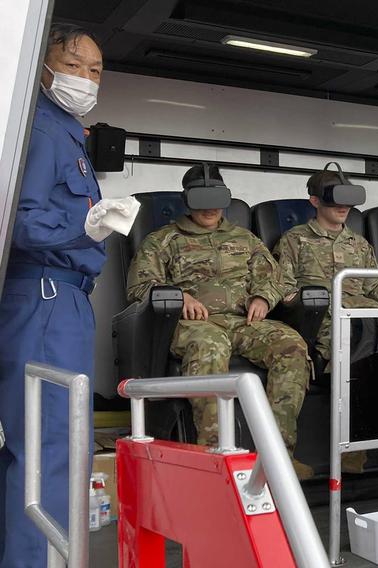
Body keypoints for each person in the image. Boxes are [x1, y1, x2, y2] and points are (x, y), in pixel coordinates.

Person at [0, 24, 110, 567]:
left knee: (44, 444)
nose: (85, 79)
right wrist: (86, 226)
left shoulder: (67, 131)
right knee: (51, 446)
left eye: (95, 71)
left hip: (57, 299)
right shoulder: (43, 130)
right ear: (45, 67)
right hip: (46, 297)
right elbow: (19, 222)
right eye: (74, 66)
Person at [127, 164, 314, 479]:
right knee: (210, 346)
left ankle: (278, 457)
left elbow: (275, 278)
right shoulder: (164, 240)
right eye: (202, 200)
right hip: (192, 324)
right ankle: (214, 456)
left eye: (217, 199)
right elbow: (138, 287)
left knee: (292, 345)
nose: (211, 208)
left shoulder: (245, 238)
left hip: (242, 321)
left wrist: (262, 298)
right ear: (187, 200)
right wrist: (177, 296)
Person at [272, 166, 378, 470]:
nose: (343, 208)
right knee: (357, 346)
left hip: (371, 317)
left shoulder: (359, 244)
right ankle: (351, 447)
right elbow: (283, 288)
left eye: (347, 201)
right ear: (315, 201)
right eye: (334, 200)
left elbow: (373, 285)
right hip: (325, 319)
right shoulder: (294, 241)